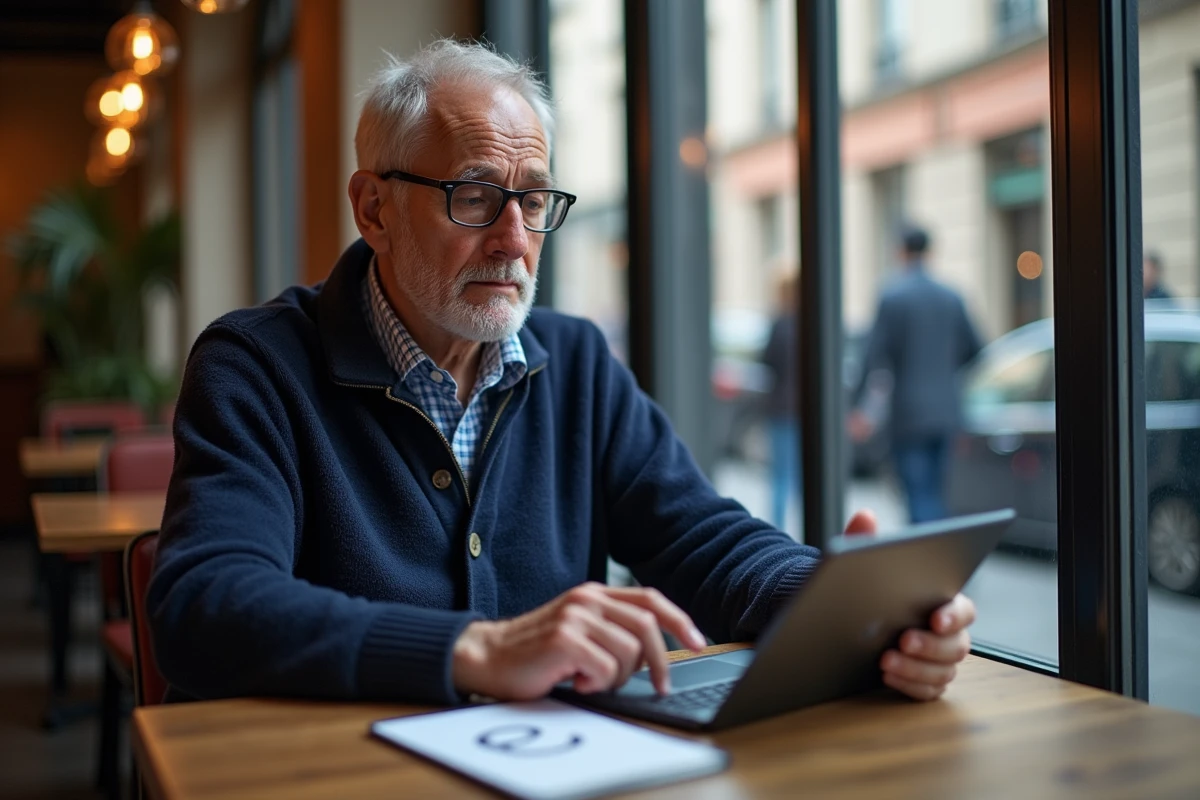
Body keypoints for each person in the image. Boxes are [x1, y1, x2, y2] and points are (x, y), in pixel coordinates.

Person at [148, 40, 976, 708]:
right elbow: (204, 604)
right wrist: (478, 649)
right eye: (474, 196)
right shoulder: (255, 366)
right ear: (374, 209)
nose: (515, 239)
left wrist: (842, 605)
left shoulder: (575, 361)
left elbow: (698, 535)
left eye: (535, 201)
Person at [849, 226, 982, 524]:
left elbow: (871, 355)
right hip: (947, 413)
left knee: (918, 496)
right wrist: (946, 374)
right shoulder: (952, 296)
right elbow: (976, 349)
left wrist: (858, 407)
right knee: (936, 494)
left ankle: (927, 551)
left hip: (909, 414)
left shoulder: (892, 296)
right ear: (929, 251)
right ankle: (937, 548)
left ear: (901, 251)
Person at [761, 270, 800, 530]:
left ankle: (778, 530)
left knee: (780, 475)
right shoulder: (811, 323)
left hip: (781, 409)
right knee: (800, 475)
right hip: (804, 410)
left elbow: (767, 362)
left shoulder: (780, 324)